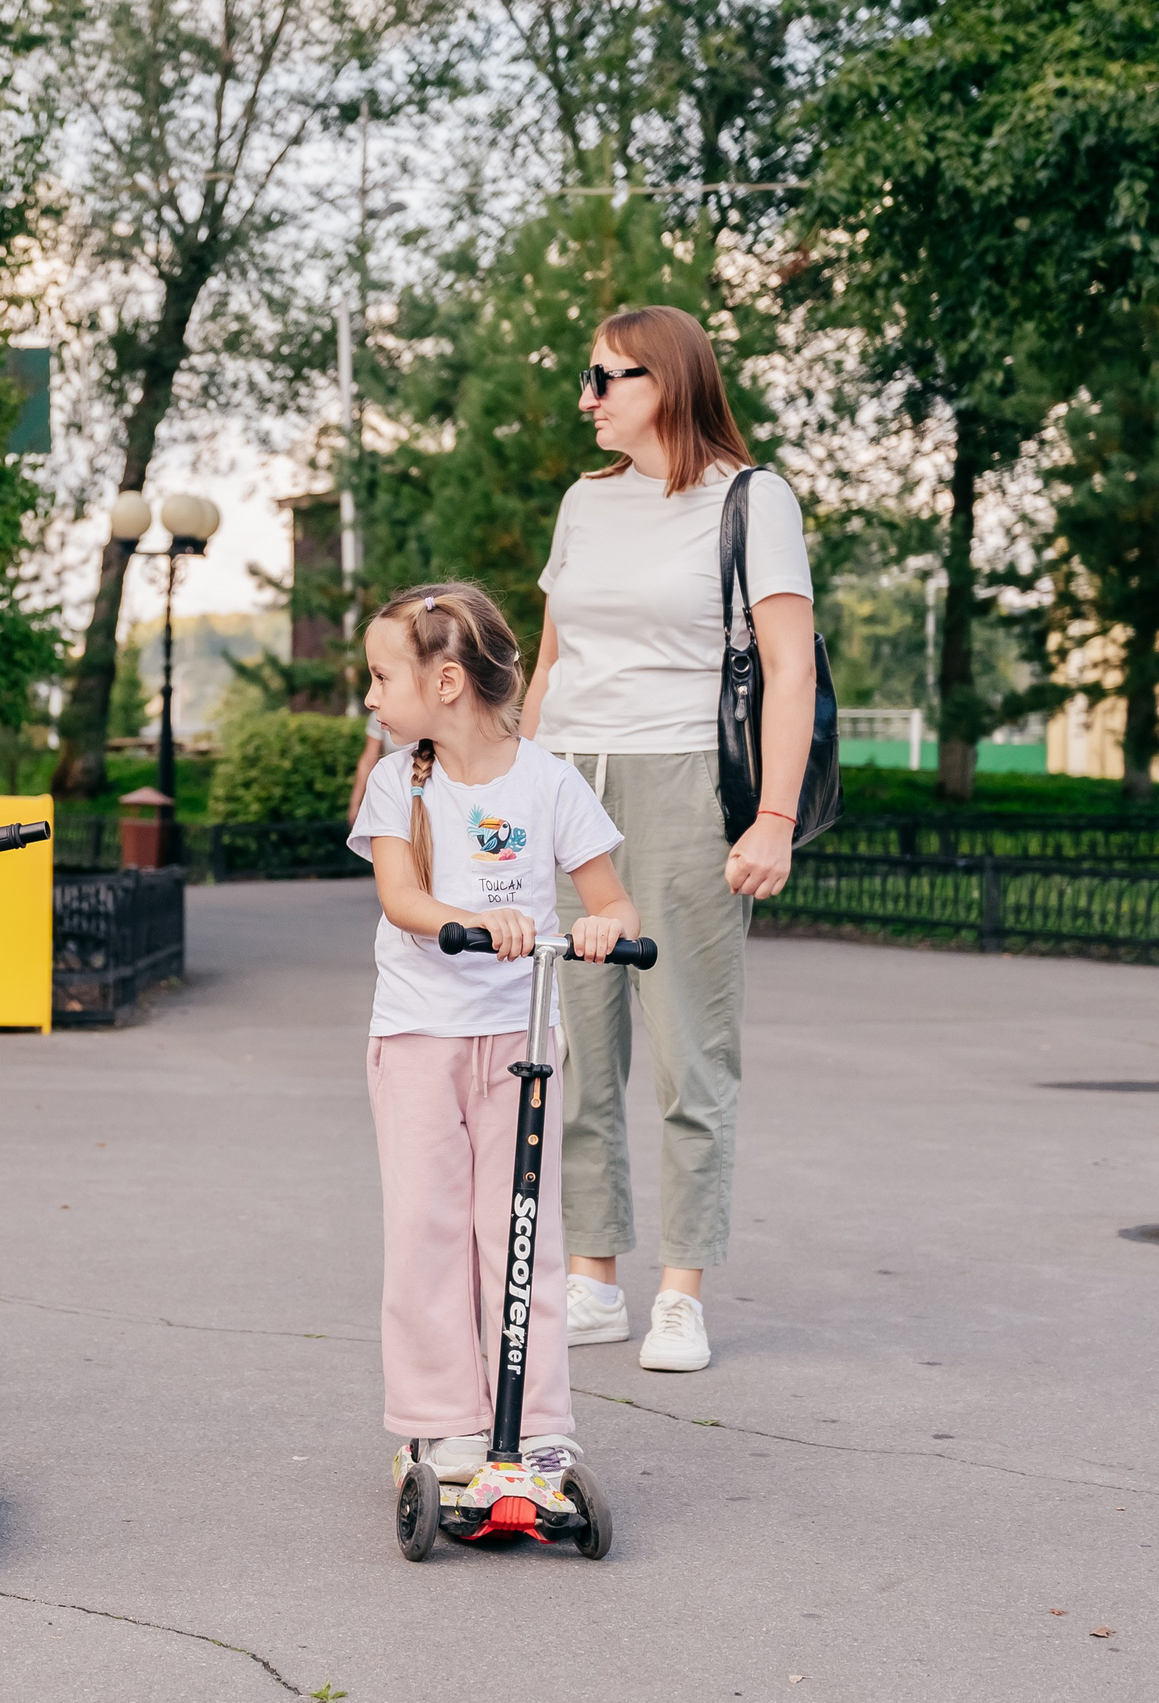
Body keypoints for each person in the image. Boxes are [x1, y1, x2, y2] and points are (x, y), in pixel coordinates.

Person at [520, 305, 817, 1374]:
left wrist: (773, 817)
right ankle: (593, 1275)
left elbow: (789, 668)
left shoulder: (751, 499)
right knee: (576, 1052)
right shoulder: (584, 502)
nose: (588, 396)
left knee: (691, 1051)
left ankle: (681, 1291)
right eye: (587, 374)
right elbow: (550, 666)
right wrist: (514, 791)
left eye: (610, 377)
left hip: (687, 784)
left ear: (670, 383)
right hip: (570, 784)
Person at [350, 582, 639, 1490]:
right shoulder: (398, 781)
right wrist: (475, 919)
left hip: (521, 1041)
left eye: (381, 676)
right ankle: (443, 1422)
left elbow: (611, 899)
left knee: (522, 1233)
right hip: (419, 1038)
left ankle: (537, 1422)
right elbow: (401, 898)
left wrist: (603, 927)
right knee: (427, 1231)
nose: (369, 696)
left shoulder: (549, 780)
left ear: (445, 682)